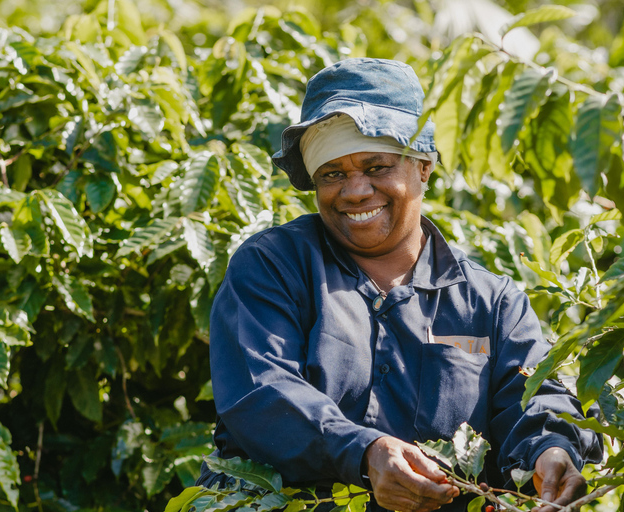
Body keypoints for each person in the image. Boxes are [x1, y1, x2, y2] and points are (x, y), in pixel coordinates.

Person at [197, 58, 602, 512]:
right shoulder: (273, 266)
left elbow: (535, 395)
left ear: (423, 166)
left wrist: (552, 451)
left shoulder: (493, 304)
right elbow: (262, 390)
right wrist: (364, 452)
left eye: (377, 167)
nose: (354, 191)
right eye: (332, 174)